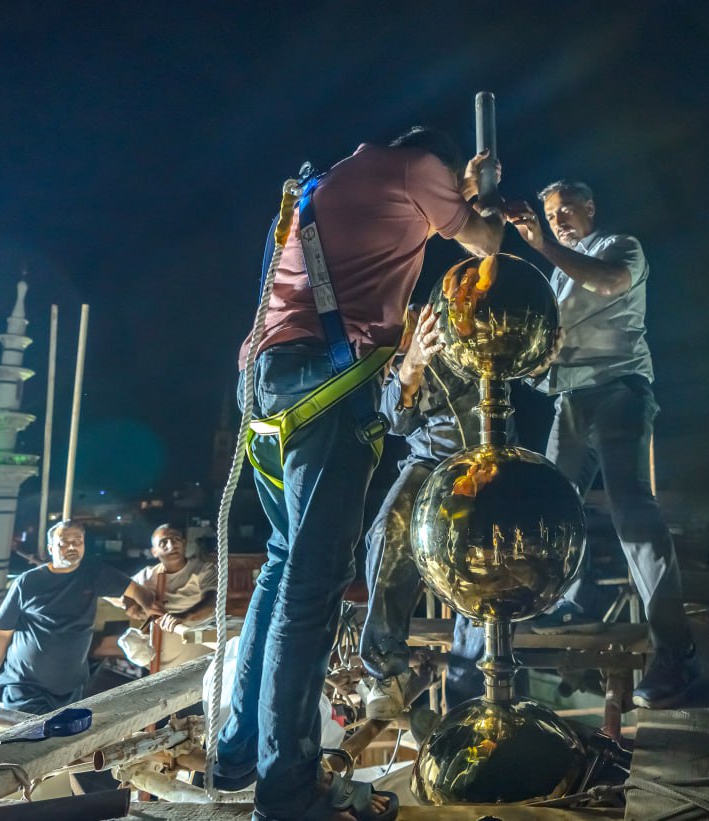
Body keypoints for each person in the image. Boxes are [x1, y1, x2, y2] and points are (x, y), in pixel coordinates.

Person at [213, 127, 503, 821]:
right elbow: (487, 242)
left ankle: (239, 750)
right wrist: (480, 194)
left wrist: (457, 192)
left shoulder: (334, 178)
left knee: (283, 563)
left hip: (267, 384)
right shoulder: (417, 167)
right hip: (329, 388)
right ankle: (287, 790)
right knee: (313, 585)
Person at [504, 180, 697, 710]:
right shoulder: (557, 275)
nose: (559, 220)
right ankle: (572, 599)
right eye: (551, 215)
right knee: (552, 504)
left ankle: (674, 652)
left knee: (629, 505)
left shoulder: (620, 247)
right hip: (572, 399)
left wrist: (543, 244)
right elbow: (551, 340)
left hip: (618, 389)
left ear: (590, 208)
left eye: (567, 210)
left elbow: (610, 283)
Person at [357, 304, 489, 721]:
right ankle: (386, 671)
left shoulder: (453, 314)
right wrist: (410, 364)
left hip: (489, 459)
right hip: (430, 461)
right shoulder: (379, 351)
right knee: (389, 530)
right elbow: (392, 419)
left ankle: (467, 698)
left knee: (483, 559)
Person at [0, 520, 162, 715]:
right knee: (29, 733)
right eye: (64, 542)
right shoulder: (28, 583)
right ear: (51, 548)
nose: (72, 546)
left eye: (78, 541)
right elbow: (2, 635)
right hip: (25, 686)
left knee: (65, 735)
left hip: (70, 689)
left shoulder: (93, 574)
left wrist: (149, 606)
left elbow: (136, 590)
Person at [124, 524, 217, 671]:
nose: (171, 545)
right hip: (162, 668)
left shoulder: (204, 570)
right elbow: (125, 589)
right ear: (154, 552)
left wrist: (184, 617)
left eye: (176, 539)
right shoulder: (147, 576)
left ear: (184, 543)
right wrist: (135, 609)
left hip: (201, 664)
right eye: (163, 542)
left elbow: (212, 601)